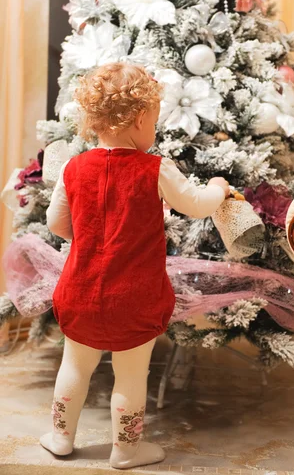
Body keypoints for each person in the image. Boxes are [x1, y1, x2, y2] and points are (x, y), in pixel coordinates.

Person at [40, 62, 230, 469]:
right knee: (130, 375)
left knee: (75, 365)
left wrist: (92, 234)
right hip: (136, 297)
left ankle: (60, 436)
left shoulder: (74, 168)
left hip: (81, 291)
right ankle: (125, 450)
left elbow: (57, 224)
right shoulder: (155, 168)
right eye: (155, 122)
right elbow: (195, 205)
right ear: (141, 118)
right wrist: (217, 188)